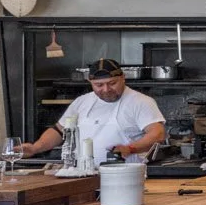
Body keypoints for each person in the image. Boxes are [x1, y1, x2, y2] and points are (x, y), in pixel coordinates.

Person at [19, 59, 166, 162]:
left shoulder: (140, 102)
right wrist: (35, 148)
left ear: (123, 78)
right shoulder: (82, 102)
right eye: (99, 85)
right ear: (90, 82)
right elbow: (59, 131)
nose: (106, 89)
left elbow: (157, 133)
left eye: (112, 83)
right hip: (83, 175)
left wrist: (130, 148)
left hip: (124, 175)